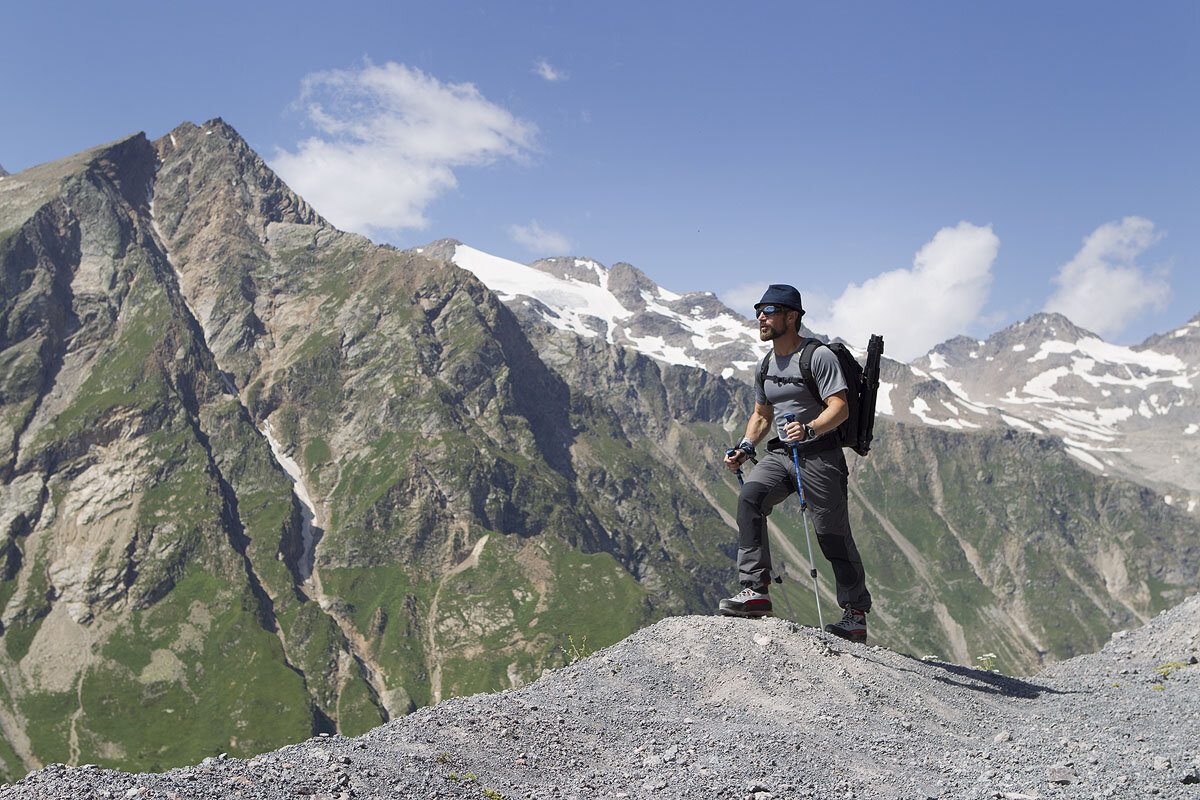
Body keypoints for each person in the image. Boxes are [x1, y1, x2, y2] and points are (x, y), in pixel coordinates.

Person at [719, 284, 872, 642]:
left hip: (820, 456)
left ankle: (855, 614)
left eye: (769, 311)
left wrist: (810, 428)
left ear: (792, 317)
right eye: (759, 310)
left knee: (830, 533)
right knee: (750, 499)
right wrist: (744, 446)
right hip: (781, 455)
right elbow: (761, 415)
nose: (760, 317)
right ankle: (755, 591)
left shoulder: (817, 357)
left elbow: (839, 407)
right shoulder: (766, 365)